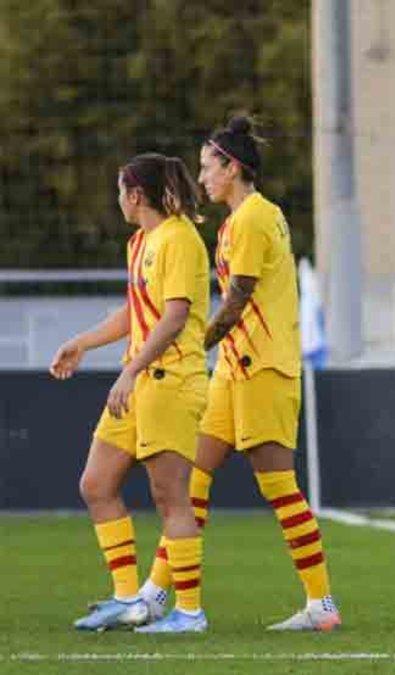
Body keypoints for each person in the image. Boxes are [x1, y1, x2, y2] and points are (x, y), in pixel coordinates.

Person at [138, 115, 340, 632]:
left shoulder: (251, 219)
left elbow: (238, 299)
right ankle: (158, 592)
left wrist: (190, 343)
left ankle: (322, 605)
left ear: (233, 167)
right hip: (234, 370)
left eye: (208, 167)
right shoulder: (239, 220)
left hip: (263, 368)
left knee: (279, 487)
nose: (202, 177)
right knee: (193, 481)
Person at [51, 153, 210, 633]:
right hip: (139, 381)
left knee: (170, 498)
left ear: (135, 195)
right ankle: (127, 599)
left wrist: (130, 370)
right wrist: (82, 342)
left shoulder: (180, 238)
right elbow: (135, 312)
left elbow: (175, 316)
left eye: (120, 190)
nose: (117, 199)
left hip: (171, 381)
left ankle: (189, 612)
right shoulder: (140, 242)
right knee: (96, 484)